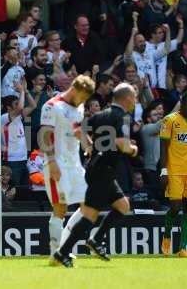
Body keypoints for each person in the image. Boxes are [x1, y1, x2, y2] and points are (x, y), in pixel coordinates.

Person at [54, 83, 138, 268]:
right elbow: (124, 145)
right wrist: (133, 149)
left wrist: (90, 146)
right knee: (90, 215)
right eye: (134, 96)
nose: (135, 100)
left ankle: (96, 239)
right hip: (102, 171)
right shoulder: (122, 117)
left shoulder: (101, 115)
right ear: (127, 98)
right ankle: (63, 252)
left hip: (100, 169)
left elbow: (77, 130)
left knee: (123, 205)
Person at [39, 75, 95, 262]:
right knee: (60, 208)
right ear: (75, 89)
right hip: (57, 163)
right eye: (84, 96)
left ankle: (61, 250)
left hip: (75, 165)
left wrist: (87, 142)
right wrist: (52, 161)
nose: (84, 101)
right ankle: (55, 253)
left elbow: (77, 128)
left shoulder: (79, 107)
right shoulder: (52, 106)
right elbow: (44, 135)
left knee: (89, 204)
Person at [160, 91, 187, 257]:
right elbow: (163, 147)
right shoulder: (170, 120)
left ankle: (182, 248)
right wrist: (164, 170)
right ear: (183, 103)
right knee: (175, 207)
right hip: (175, 171)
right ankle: (166, 237)